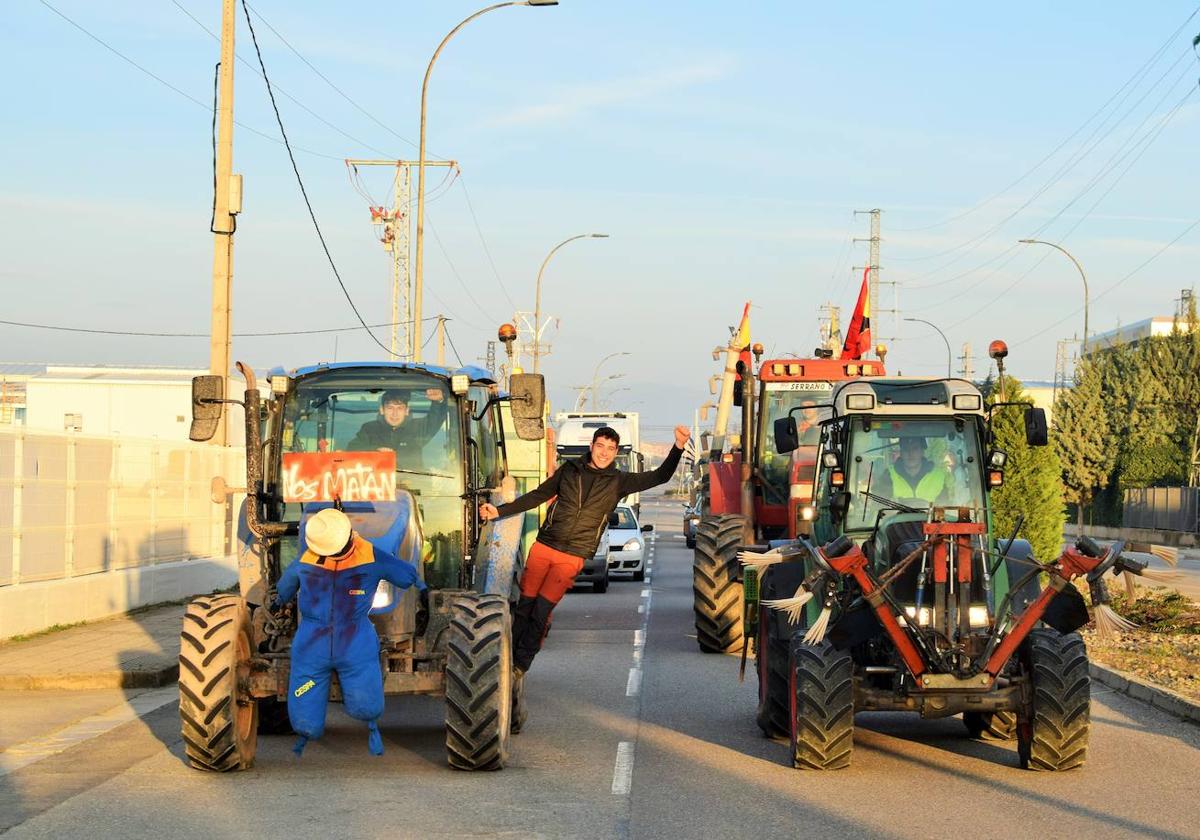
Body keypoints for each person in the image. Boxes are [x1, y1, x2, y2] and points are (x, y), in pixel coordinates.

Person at [480, 424, 691, 676]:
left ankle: (519, 666)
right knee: (524, 607)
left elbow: (660, 477)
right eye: (600, 446)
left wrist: (678, 446)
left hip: (573, 555)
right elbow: (537, 495)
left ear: (615, 453)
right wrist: (500, 511)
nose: (604, 453)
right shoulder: (568, 471)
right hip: (544, 546)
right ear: (591, 447)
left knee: (541, 612)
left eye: (611, 449)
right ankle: (506, 658)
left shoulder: (619, 482)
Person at [273, 507, 426, 757]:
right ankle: (367, 721)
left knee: (305, 690)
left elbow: (282, 591)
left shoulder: (306, 559)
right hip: (355, 641)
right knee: (365, 699)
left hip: (311, 642)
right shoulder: (371, 555)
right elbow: (406, 575)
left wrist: (277, 603)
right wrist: (421, 584)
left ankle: (306, 731)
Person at [347, 388, 448, 468]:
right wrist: (376, 451)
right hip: (377, 488)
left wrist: (438, 401)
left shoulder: (418, 428)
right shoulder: (369, 429)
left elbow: (436, 418)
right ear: (382, 410)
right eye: (390, 408)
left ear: (407, 411)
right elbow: (352, 449)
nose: (395, 414)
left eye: (400, 408)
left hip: (414, 487)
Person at [873, 436, 954, 504]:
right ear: (901, 453)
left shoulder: (938, 477)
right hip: (897, 523)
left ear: (922, 452)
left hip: (929, 522)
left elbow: (945, 508)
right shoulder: (888, 476)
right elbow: (879, 507)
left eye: (915, 448)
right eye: (906, 449)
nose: (910, 453)